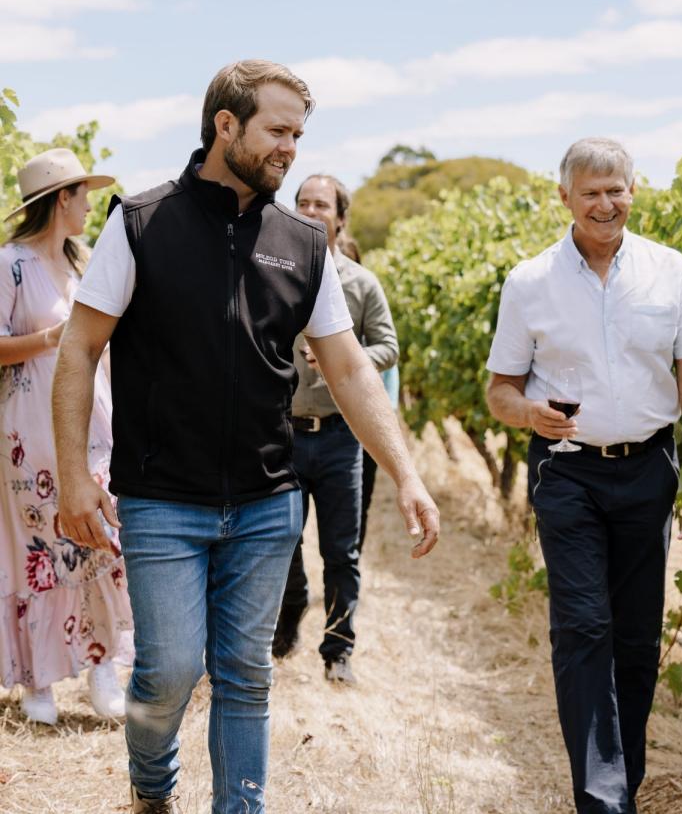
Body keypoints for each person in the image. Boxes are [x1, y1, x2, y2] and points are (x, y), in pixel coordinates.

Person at [51, 60, 439, 814]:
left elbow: (352, 369)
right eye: (278, 130)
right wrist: (73, 475)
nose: (291, 148)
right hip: (162, 497)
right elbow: (78, 350)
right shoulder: (139, 221)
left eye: (300, 134)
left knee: (243, 674)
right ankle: (153, 783)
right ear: (225, 125)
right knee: (166, 672)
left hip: (267, 502)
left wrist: (408, 473)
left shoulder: (302, 242)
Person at [486, 137, 682, 814]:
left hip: (649, 469)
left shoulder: (670, 271)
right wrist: (528, 411)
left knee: (636, 639)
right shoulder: (530, 281)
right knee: (584, 626)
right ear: (564, 197)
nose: (604, 202)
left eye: (615, 188)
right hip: (567, 475)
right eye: (590, 191)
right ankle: (603, 800)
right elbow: (498, 390)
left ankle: (624, 782)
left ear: (633, 189)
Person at [0, 148, 131, 725]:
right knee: (40, 552)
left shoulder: (81, 265)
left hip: (91, 421)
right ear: (61, 199)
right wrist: (52, 337)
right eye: (83, 196)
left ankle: (103, 671)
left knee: (99, 538)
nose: (88, 207)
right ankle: (40, 685)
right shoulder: (10, 265)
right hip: (28, 430)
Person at [272, 176, 398, 683]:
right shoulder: (275, 271)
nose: (309, 209)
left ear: (340, 218)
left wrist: (342, 361)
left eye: (320, 204)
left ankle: (338, 650)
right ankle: (290, 613)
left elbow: (388, 346)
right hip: (282, 434)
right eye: (302, 202)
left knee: (341, 550)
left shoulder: (361, 285)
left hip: (342, 438)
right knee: (281, 540)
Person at [334, 230, 400, 553]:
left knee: (356, 509)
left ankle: (350, 564)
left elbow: (388, 374)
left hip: (362, 427)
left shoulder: (364, 293)